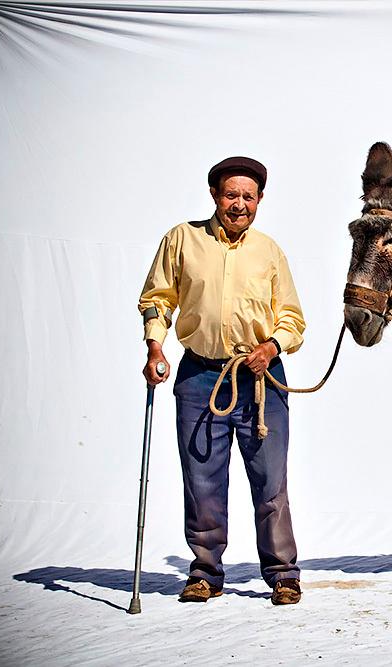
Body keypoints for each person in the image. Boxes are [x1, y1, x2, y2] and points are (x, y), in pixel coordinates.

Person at [138, 156, 306, 605]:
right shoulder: (182, 239)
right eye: (231, 195)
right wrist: (155, 347)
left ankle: (283, 574)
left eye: (248, 197)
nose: (239, 204)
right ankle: (205, 573)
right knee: (202, 481)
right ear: (214, 195)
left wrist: (271, 346)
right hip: (199, 376)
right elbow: (157, 299)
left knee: (270, 482)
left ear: (260, 199)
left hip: (261, 379)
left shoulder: (269, 251)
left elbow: (292, 318)